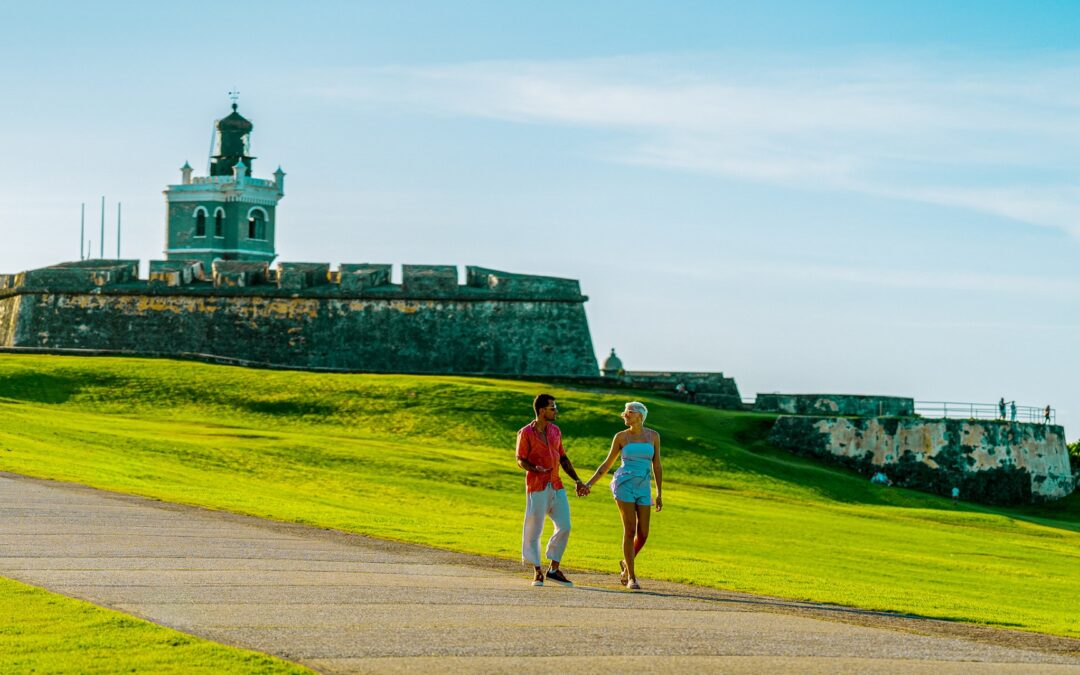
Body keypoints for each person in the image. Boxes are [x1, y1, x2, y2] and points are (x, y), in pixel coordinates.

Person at [583, 401, 663, 591]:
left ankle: (626, 563)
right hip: (624, 486)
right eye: (625, 413)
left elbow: (657, 465)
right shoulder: (621, 437)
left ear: (640, 416)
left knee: (643, 534)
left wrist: (659, 492)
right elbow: (606, 464)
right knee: (630, 530)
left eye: (628, 413)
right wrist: (588, 484)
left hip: (644, 487)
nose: (624, 415)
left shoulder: (653, 436)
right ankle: (631, 577)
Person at [517, 393, 589, 587]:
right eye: (552, 408)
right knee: (534, 529)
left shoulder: (556, 431)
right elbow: (520, 459)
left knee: (565, 526)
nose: (556, 411)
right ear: (542, 411)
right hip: (537, 487)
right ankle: (537, 571)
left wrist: (577, 480)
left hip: (556, 485)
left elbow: (563, 458)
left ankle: (554, 570)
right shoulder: (525, 432)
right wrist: (534, 468)